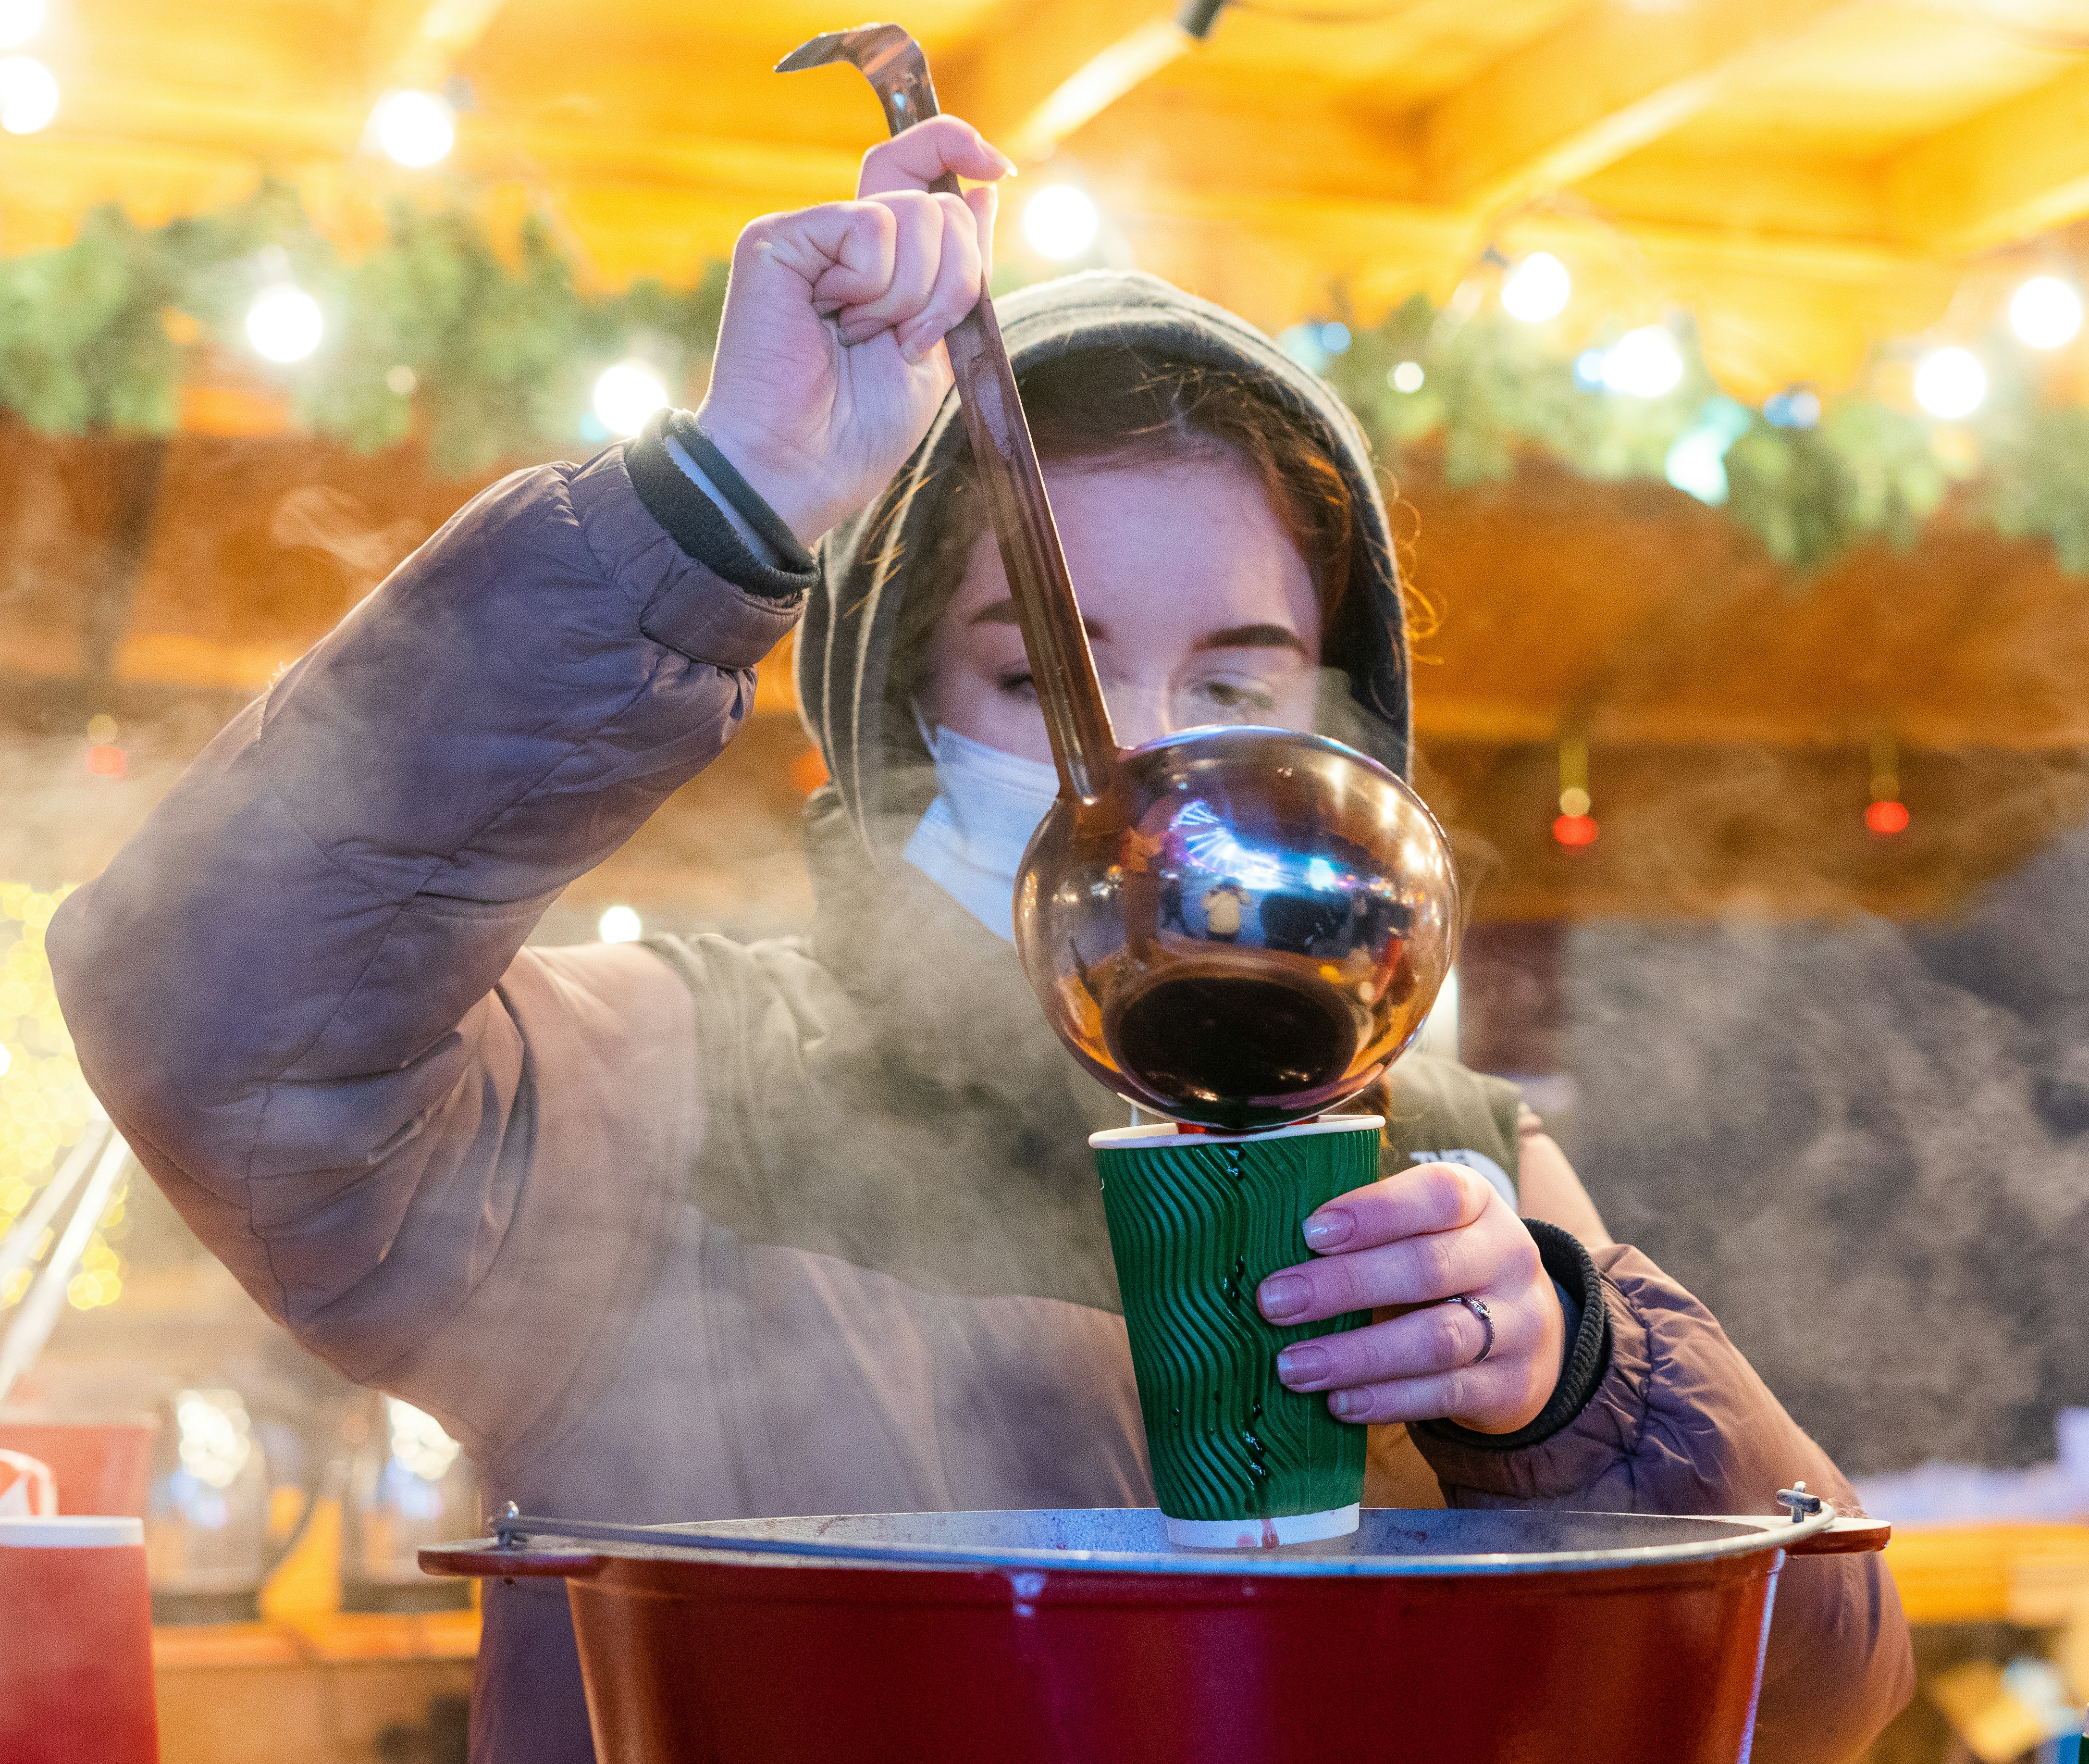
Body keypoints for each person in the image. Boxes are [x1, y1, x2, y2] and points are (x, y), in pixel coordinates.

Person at [49, 117, 1910, 1761]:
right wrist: (727, 501)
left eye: (1239, 677)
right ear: (899, 721)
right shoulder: (657, 1097)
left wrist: (1571, 1392)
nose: (1158, 757)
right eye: (1045, 674)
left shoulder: (1455, 1171)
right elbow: (208, 1009)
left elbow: (1823, 1680)